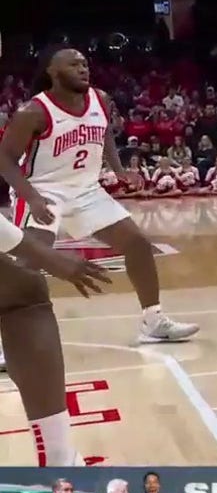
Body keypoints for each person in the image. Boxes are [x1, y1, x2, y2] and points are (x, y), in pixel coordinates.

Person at [0, 48, 199, 346]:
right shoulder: (33, 112)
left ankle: (153, 321)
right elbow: (5, 159)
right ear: (53, 72)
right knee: (28, 264)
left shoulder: (101, 99)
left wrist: (118, 170)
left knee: (138, 245)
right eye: (74, 64)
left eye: (84, 64)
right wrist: (32, 198)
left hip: (86, 190)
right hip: (43, 190)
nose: (83, 69)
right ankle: (6, 343)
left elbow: (104, 134)